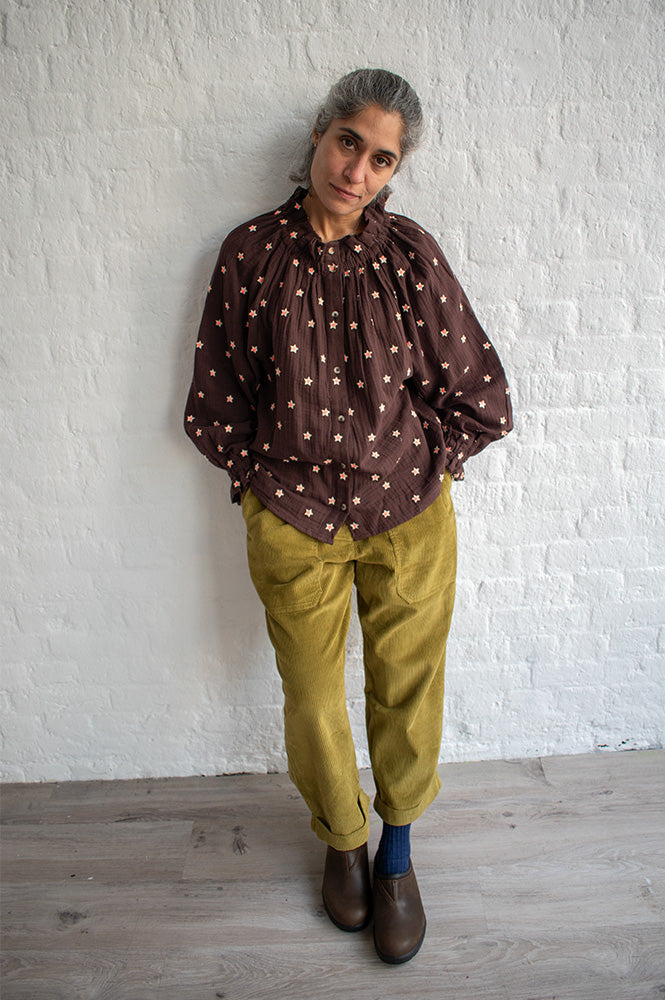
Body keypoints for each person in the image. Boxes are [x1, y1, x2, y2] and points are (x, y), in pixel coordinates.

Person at [184, 68, 512, 964]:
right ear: (320, 136)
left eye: (380, 159)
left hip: (406, 512)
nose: (356, 171)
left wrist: (432, 461)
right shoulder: (250, 253)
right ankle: (343, 840)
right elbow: (217, 398)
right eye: (347, 144)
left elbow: (477, 389)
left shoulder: (410, 256)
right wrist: (257, 484)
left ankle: (397, 855)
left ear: (394, 170)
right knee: (313, 694)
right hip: (292, 516)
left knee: (408, 685)